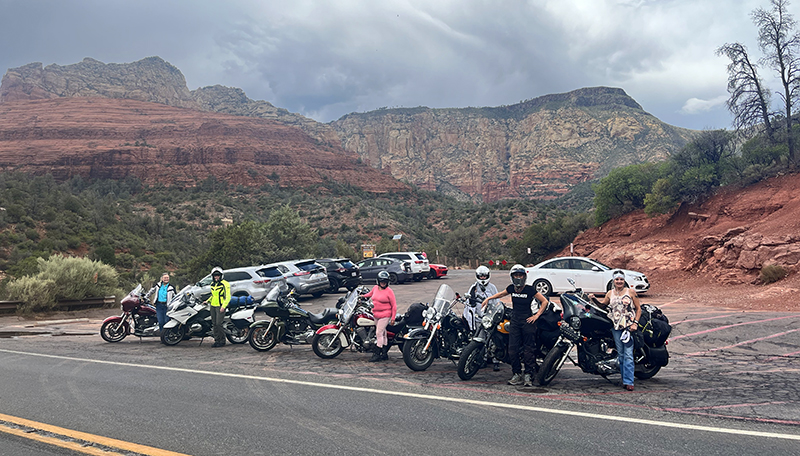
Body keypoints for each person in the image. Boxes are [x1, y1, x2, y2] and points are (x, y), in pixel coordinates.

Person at [482, 264, 548, 387]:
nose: (518, 277)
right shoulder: (511, 288)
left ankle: (529, 375)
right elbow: (501, 294)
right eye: (516, 275)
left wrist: (537, 315)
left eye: (520, 275)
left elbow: (544, 301)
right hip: (515, 321)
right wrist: (489, 299)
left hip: (528, 321)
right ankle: (516, 373)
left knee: (529, 350)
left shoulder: (529, 289)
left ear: (524, 276)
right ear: (512, 277)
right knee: (512, 349)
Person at [590, 270, 641, 391]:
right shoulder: (609, 293)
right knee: (621, 354)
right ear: (613, 281)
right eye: (617, 279)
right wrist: (594, 299)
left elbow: (638, 309)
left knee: (628, 354)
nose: (619, 282)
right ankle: (624, 379)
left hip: (628, 327)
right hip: (616, 327)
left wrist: (635, 323)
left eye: (621, 279)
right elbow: (603, 306)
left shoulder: (631, 292)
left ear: (624, 281)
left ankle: (629, 381)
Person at [464, 265, 501, 371]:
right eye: (481, 276)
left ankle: (495, 360)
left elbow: (496, 300)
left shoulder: (492, 287)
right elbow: (469, 303)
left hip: (490, 318)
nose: (483, 278)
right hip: (479, 318)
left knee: (492, 339)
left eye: (485, 276)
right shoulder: (473, 288)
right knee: (481, 340)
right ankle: (483, 359)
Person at [363, 270, 397, 362]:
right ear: (378, 281)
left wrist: (393, 318)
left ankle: (377, 354)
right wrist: (361, 296)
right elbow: (370, 295)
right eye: (382, 281)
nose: (383, 283)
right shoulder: (375, 288)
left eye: (385, 281)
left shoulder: (389, 291)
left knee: (378, 333)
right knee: (383, 333)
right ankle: (384, 353)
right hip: (375, 314)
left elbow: (394, 305)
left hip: (385, 315)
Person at [205, 267, 230, 348]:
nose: (216, 277)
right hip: (213, 305)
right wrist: (207, 301)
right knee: (214, 324)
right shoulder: (212, 284)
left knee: (219, 324)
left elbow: (228, 296)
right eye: (215, 276)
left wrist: (223, 306)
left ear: (221, 276)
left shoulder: (225, 284)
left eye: (218, 275)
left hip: (220, 306)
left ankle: (222, 340)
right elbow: (213, 295)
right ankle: (217, 340)